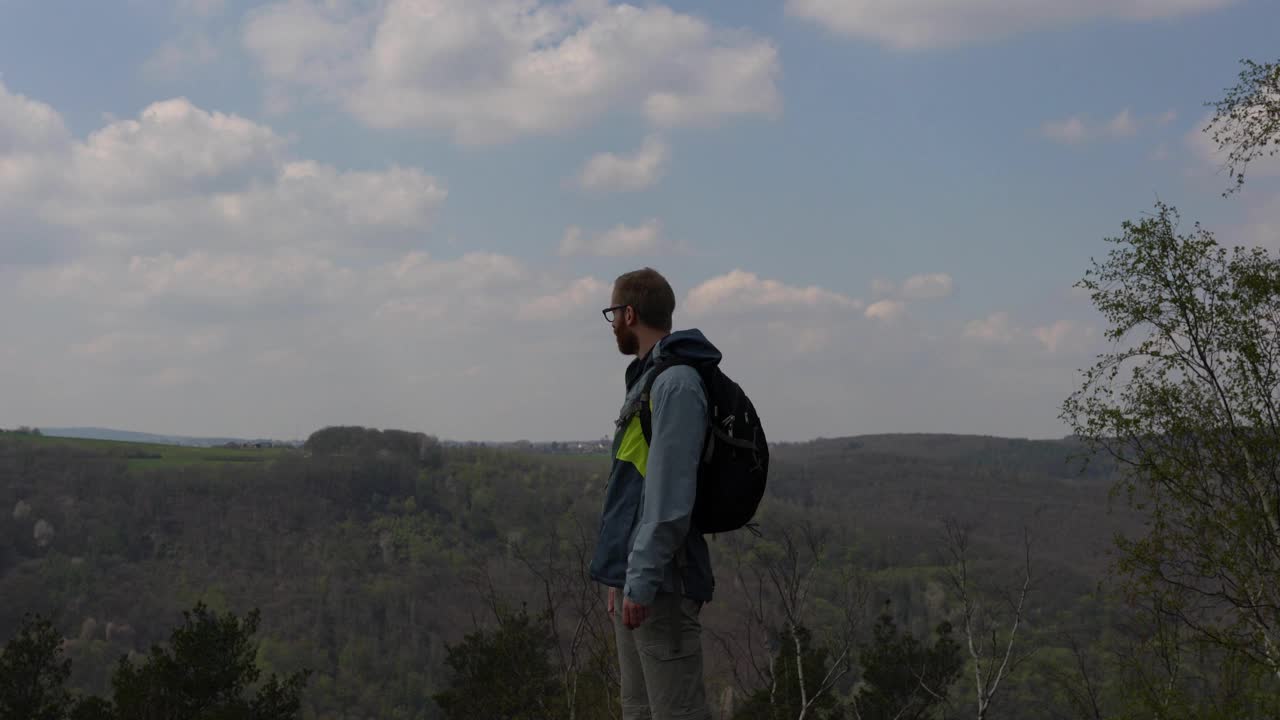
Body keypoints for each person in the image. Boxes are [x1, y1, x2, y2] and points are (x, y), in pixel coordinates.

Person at [589, 267, 717, 720]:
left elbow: (668, 500)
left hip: (663, 582)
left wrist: (638, 578)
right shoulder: (646, 379)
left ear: (628, 313)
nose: (612, 327)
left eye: (612, 315)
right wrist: (616, 573)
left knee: (676, 712)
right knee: (638, 709)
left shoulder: (675, 384)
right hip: (637, 580)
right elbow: (629, 487)